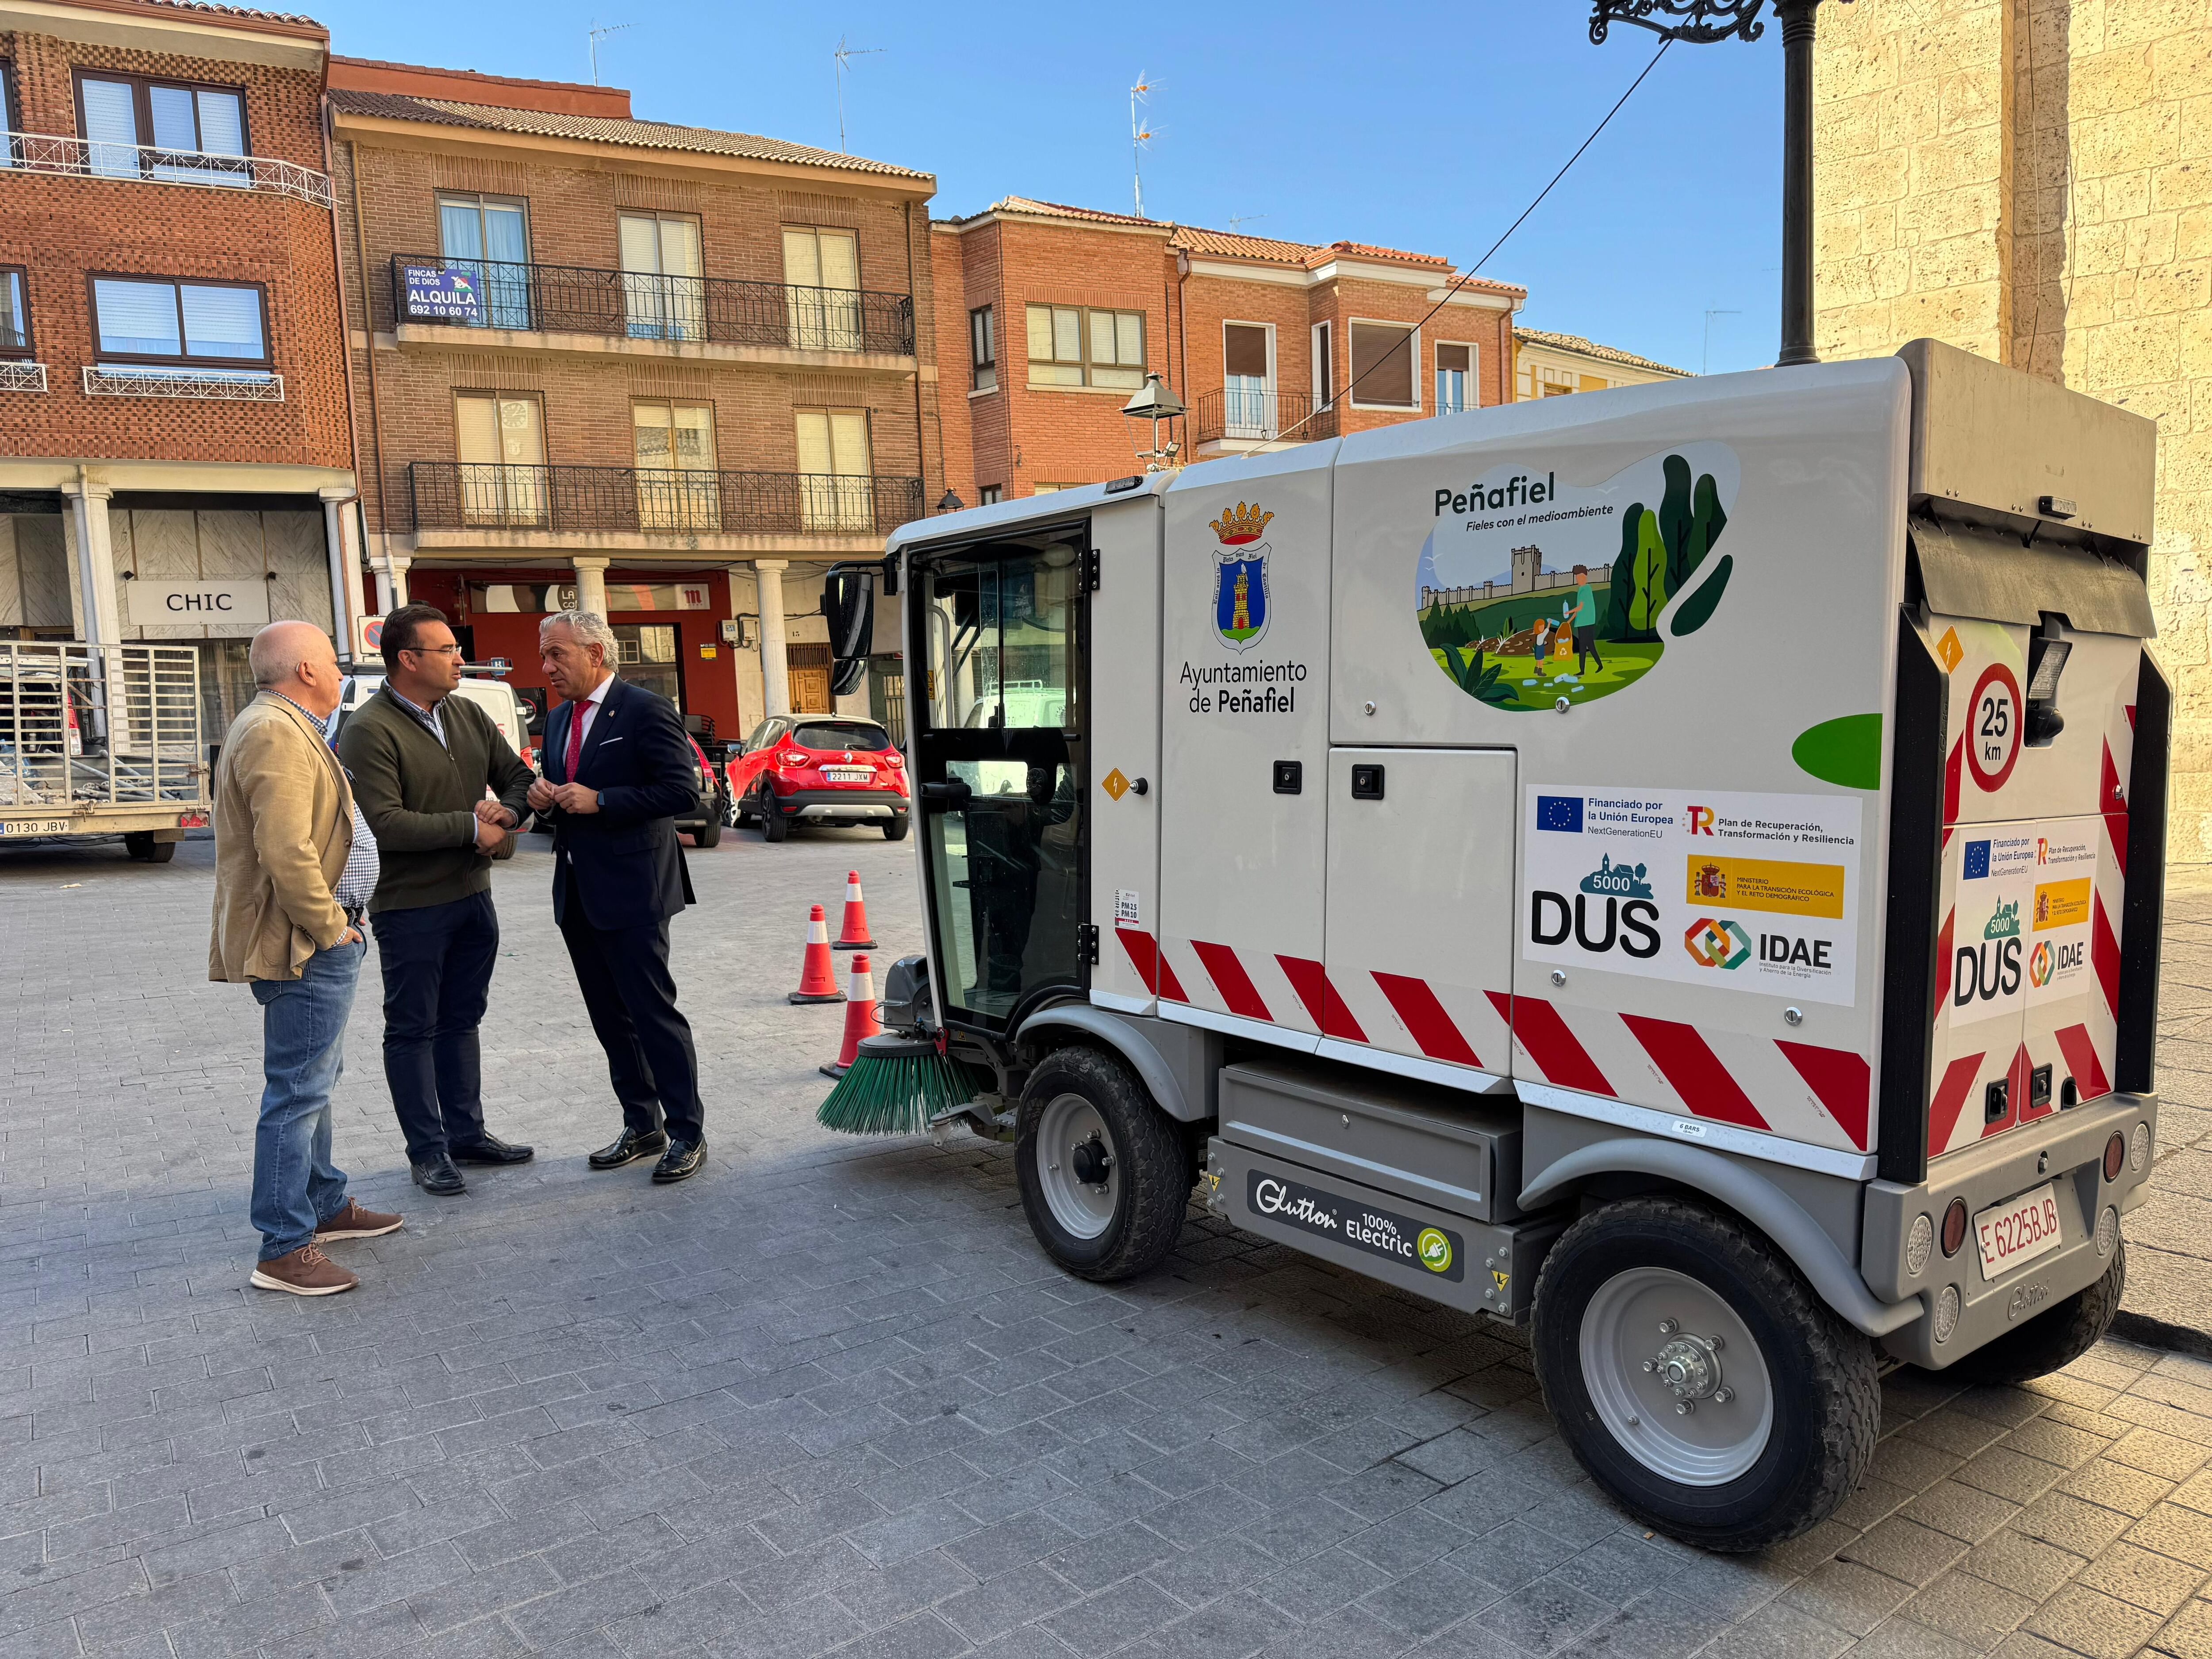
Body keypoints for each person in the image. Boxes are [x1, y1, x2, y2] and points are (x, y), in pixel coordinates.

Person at [210, 620, 403, 1296]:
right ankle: (283, 1245)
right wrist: (329, 928)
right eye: (330, 660)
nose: (341, 671)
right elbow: (285, 849)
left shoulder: (287, 724)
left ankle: (325, 1204)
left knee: (314, 1079)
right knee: (296, 1090)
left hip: (317, 937)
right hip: (305, 942)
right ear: (308, 670)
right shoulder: (274, 730)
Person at [337, 603, 537, 1198]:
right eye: (446, 648)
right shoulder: (369, 729)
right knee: (412, 1029)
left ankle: (467, 1134)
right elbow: (385, 823)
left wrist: (507, 812)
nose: (459, 658)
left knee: (462, 1020)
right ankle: (428, 1151)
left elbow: (519, 777)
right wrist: (474, 829)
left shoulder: (468, 713)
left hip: (474, 898)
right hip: (411, 907)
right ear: (408, 659)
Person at [526, 610, 708, 1183]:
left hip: (634, 889)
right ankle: (641, 1122)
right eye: (545, 654)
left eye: (557, 654)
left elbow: (681, 789)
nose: (547, 665)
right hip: (577, 889)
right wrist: (544, 796)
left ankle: (686, 1131)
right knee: (609, 1016)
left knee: (652, 1013)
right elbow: (564, 793)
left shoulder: (645, 708)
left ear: (596, 653)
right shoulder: (557, 719)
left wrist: (602, 801)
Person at [1571, 564, 1605, 676]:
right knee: (1588, 646)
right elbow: (1578, 610)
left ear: (1585, 576)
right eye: (1577, 578)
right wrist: (1569, 621)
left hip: (1587, 622)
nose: (1578, 580)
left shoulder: (1586, 589)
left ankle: (1585, 669)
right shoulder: (1581, 589)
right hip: (1582, 622)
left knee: (1585, 646)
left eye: (1580, 577)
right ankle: (1596, 666)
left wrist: (1568, 612)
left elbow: (1580, 607)